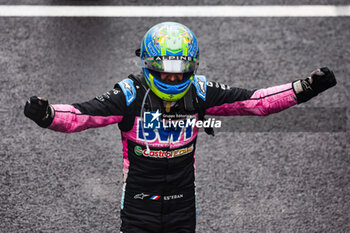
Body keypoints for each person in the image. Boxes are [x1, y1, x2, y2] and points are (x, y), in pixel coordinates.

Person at [24, 22, 336, 233]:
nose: (173, 78)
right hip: (138, 206)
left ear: (192, 65)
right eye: (165, 71)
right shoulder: (130, 94)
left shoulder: (200, 91)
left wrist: (303, 88)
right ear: (148, 64)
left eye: (181, 70)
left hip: (182, 205)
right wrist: (48, 114)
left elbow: (256, 102)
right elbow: (82, 115)